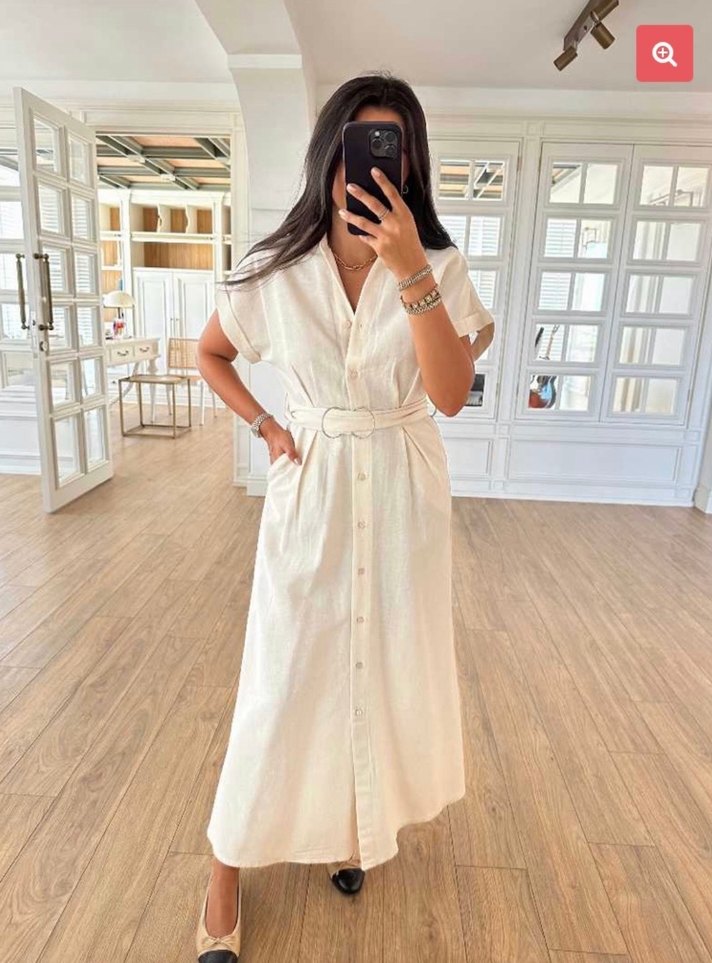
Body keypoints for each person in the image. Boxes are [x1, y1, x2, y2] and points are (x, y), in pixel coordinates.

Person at [194, 70, 495, 962]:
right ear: (330, 155)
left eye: (390, 151)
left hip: (404, 490)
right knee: (282, 678)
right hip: (314, 488)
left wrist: (410, 271)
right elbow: (210, 352)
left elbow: (449, 395)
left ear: (411, 166)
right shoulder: (276, 271)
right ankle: (222, 871)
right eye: (358, 147)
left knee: (377, 670)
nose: (370, 168)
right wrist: (265, 423)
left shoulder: (439, 266)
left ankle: (348, 830)